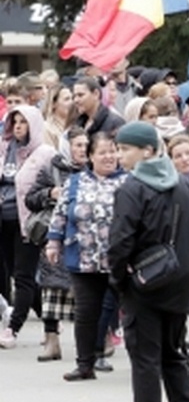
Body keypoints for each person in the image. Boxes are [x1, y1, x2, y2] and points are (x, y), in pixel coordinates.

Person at [107, 121, 189, 402]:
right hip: (179, 284)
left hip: (144, 287)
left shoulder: (132, 188)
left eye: (125, 149)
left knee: (146, 361)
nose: (120, 155)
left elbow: (120, 243)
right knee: (173, 354)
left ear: (147, 151)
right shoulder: (181, 184)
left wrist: (119, 280)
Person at [45, 133, 128, 380]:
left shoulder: (128, 182)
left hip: (119, 259)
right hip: (83, 257)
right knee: (86, 312)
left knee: (133, 310)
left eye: (112, 151)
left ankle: (146, 363)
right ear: (91, 157)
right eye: (102, 152)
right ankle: (85, 364)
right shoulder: (75, 181)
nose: (109, 157)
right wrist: (53, 242)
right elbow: (60, 213)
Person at [26, 126, 89, 361]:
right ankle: (52, 343)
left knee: (91, 293)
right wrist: (50, 193)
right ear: (67, 146)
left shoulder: (94, 170)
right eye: (78, 145)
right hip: (57, 238)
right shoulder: (52, 168)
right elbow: (31, 199)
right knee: (51, 289)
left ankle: (99, 342)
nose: (83, 150)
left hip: (87, 240)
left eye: (86, 145)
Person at [4, 104, 55, 348]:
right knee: (17, 274)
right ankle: (49, 319)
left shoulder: (45, 153)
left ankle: (12, 328)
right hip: (4, 220)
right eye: (14, 123)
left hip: (28, 222)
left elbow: (52, 185)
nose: (18, 127)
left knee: (23, 276)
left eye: (22, 122)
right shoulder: (5, 150)